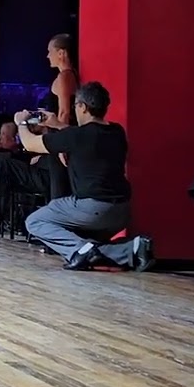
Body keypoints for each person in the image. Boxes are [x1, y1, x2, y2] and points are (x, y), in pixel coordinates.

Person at [18, 81, 155, 272]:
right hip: (121, 212)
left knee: (35, 222)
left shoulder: (77, 136)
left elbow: (30, 144)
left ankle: (82, 251)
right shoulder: (117, 132)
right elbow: (86, 136)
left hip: (92, 210)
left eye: (75, 106)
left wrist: (22, 122)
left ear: (82, 106)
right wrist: (57, 124)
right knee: (87, 243)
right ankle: (132, 248)